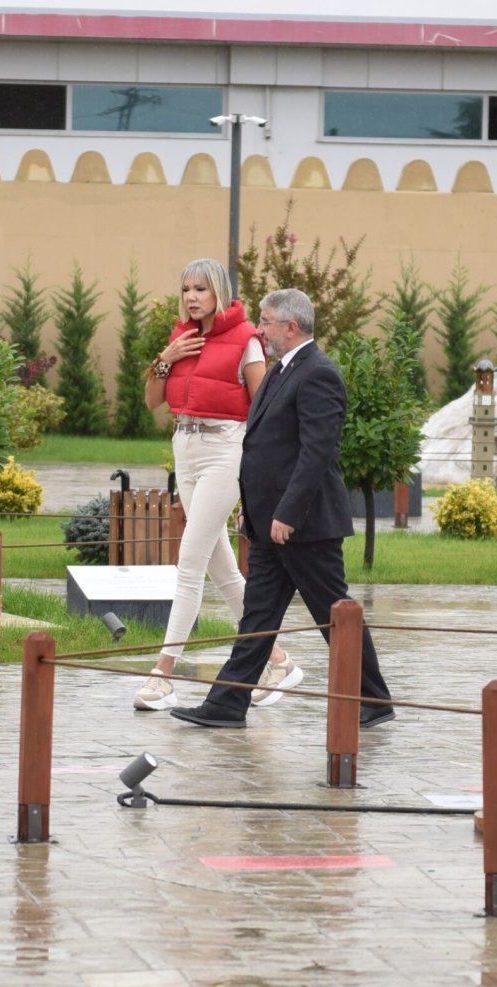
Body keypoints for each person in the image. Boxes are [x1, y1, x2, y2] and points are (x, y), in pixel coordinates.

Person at [170, 288, 394, 730]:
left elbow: (316, 453)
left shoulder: (319, 374)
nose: (259, 329)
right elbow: (264, 445)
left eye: (266, 321)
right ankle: (227, 703)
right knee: (258, 617)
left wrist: (288, 513)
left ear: (291, 327)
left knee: (334, 614)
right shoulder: (280, 371)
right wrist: (252, 507)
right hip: (269, 522)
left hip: (304, 525)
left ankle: (374, 700)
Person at [133, 259, 302, 711]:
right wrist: (165, 360)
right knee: (222, 570)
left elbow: (266, 410)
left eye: (201, 289)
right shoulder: (180, 337)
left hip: (226, 451)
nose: (191, 297)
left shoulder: (246, 338)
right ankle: (278, 660)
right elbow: (151, 401)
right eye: (186, 289)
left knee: (189, 561)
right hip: (185, 448)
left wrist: (260, 481)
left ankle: (163, 674)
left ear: (219, 292)